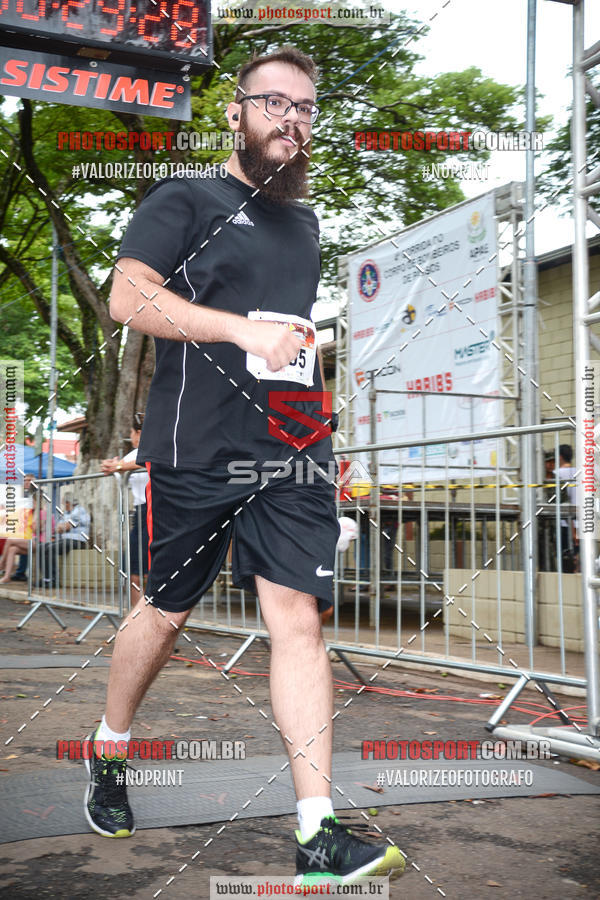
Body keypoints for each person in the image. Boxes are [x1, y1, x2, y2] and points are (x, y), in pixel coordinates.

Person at [85, 46, 404, 886]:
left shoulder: (305, 224)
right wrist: (239, 330)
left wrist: (323, 424)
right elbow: (129, 298)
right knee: (165, 614)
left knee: (298, 618)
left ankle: (317, 832)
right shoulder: (184, 197)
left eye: (304, 107)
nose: (291, 119)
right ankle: (111, 748)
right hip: (197, 449)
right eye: (274, 102)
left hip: (292, 449)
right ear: (235, 111)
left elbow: (289, 340)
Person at [101, 414, 149, 608]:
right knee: (134, 568)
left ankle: (148, 618)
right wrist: (110, 465)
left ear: (138, 433)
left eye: (131, 432)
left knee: (142, 570)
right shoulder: (133, 453)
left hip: (156, 511)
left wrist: (119, 466)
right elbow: (116, 466)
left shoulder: (160, 446)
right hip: (142, 512)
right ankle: (139, 614)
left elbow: (151, 459)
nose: (130, 436)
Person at [38, 493, 89, 587]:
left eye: (64, 503)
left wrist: (64, 526)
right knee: (41, 547)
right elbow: (58, 528)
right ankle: (46, 578)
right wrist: (64, 527)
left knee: (51, 548)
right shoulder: (66, 513)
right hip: (66, 540)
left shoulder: (79, 510)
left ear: (68, 503)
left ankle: (52, 580)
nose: (63, 505)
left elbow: (67, 526)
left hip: (77, 541)